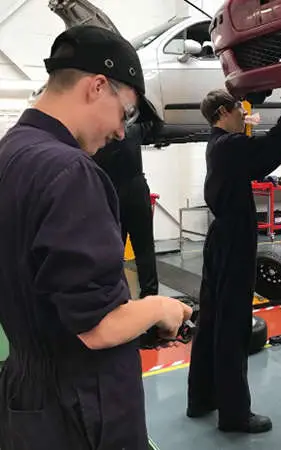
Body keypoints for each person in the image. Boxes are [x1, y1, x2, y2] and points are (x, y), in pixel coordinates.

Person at [0, 25, 192, 450]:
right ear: (97, 86)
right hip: (83, 407)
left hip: (27, 396)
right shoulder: (70, 172)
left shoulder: (10, 153)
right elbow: (96, 328)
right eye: (125, 113)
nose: (123, 133)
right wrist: (158, 306)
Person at [187, 86, 281, 433]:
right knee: (232, 325)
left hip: (220, 239)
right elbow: (268, 151)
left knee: (212, 320)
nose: (243, 116)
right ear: (221, 113)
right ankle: (234, 415)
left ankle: (200, 398)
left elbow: (259, 152)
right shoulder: (229, 146)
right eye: (238, 111)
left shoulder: (217, 145)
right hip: (233, 240)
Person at [93, 121, 161, 297]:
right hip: (135, 191)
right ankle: (150, 295)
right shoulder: (135, 129)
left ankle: (117, 297)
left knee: (114, 251)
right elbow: (155, 125)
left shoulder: (98, 135)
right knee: (145, 249)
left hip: (111, 193)